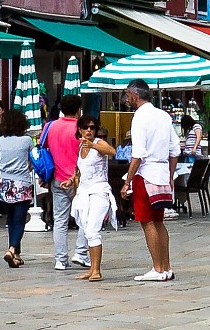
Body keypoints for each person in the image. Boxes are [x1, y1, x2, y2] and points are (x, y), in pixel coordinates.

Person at [121, 80, 176, 283]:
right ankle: (166, 266)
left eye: (128, 95)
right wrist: (170, 174)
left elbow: (138, 154)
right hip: (161, 172)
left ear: (134, 95)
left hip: (146, 173)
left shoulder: (140, 117)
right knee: (159, 221)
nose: (127, 99)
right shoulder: (163, 116)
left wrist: (128, 180)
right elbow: (174, 149)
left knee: (147, 221)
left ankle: (157, 267)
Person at [71, 116, 116, 281]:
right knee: (85, 227)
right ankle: (92, 268)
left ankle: (96, 270)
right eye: (85, 127)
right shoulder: (81, 146)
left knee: (92, 229)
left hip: (99, 191)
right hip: (84, 192)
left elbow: (112, 152)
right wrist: (71, 179)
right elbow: (79, 169)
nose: (89, 130)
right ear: (80, 130)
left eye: (92, 127)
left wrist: (94, 146)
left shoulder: (98, 143)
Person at [44, 94, 85, 271]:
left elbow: (44, 149)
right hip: (78, 179)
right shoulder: (82, 128)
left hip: (58, 179)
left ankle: (60, 260)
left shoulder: (50, 126)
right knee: (84, 219)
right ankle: (81, 253)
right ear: (78, 110)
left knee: (59, 220)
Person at [0, 108, 38, 267]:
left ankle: (16, 255)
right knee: (20, 220)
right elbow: (33, 159)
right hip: (21, 183)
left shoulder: (0, 141)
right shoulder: (27, 140)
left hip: (4, 183)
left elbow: (0, 159)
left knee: (11, 219)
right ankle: (12, 249)